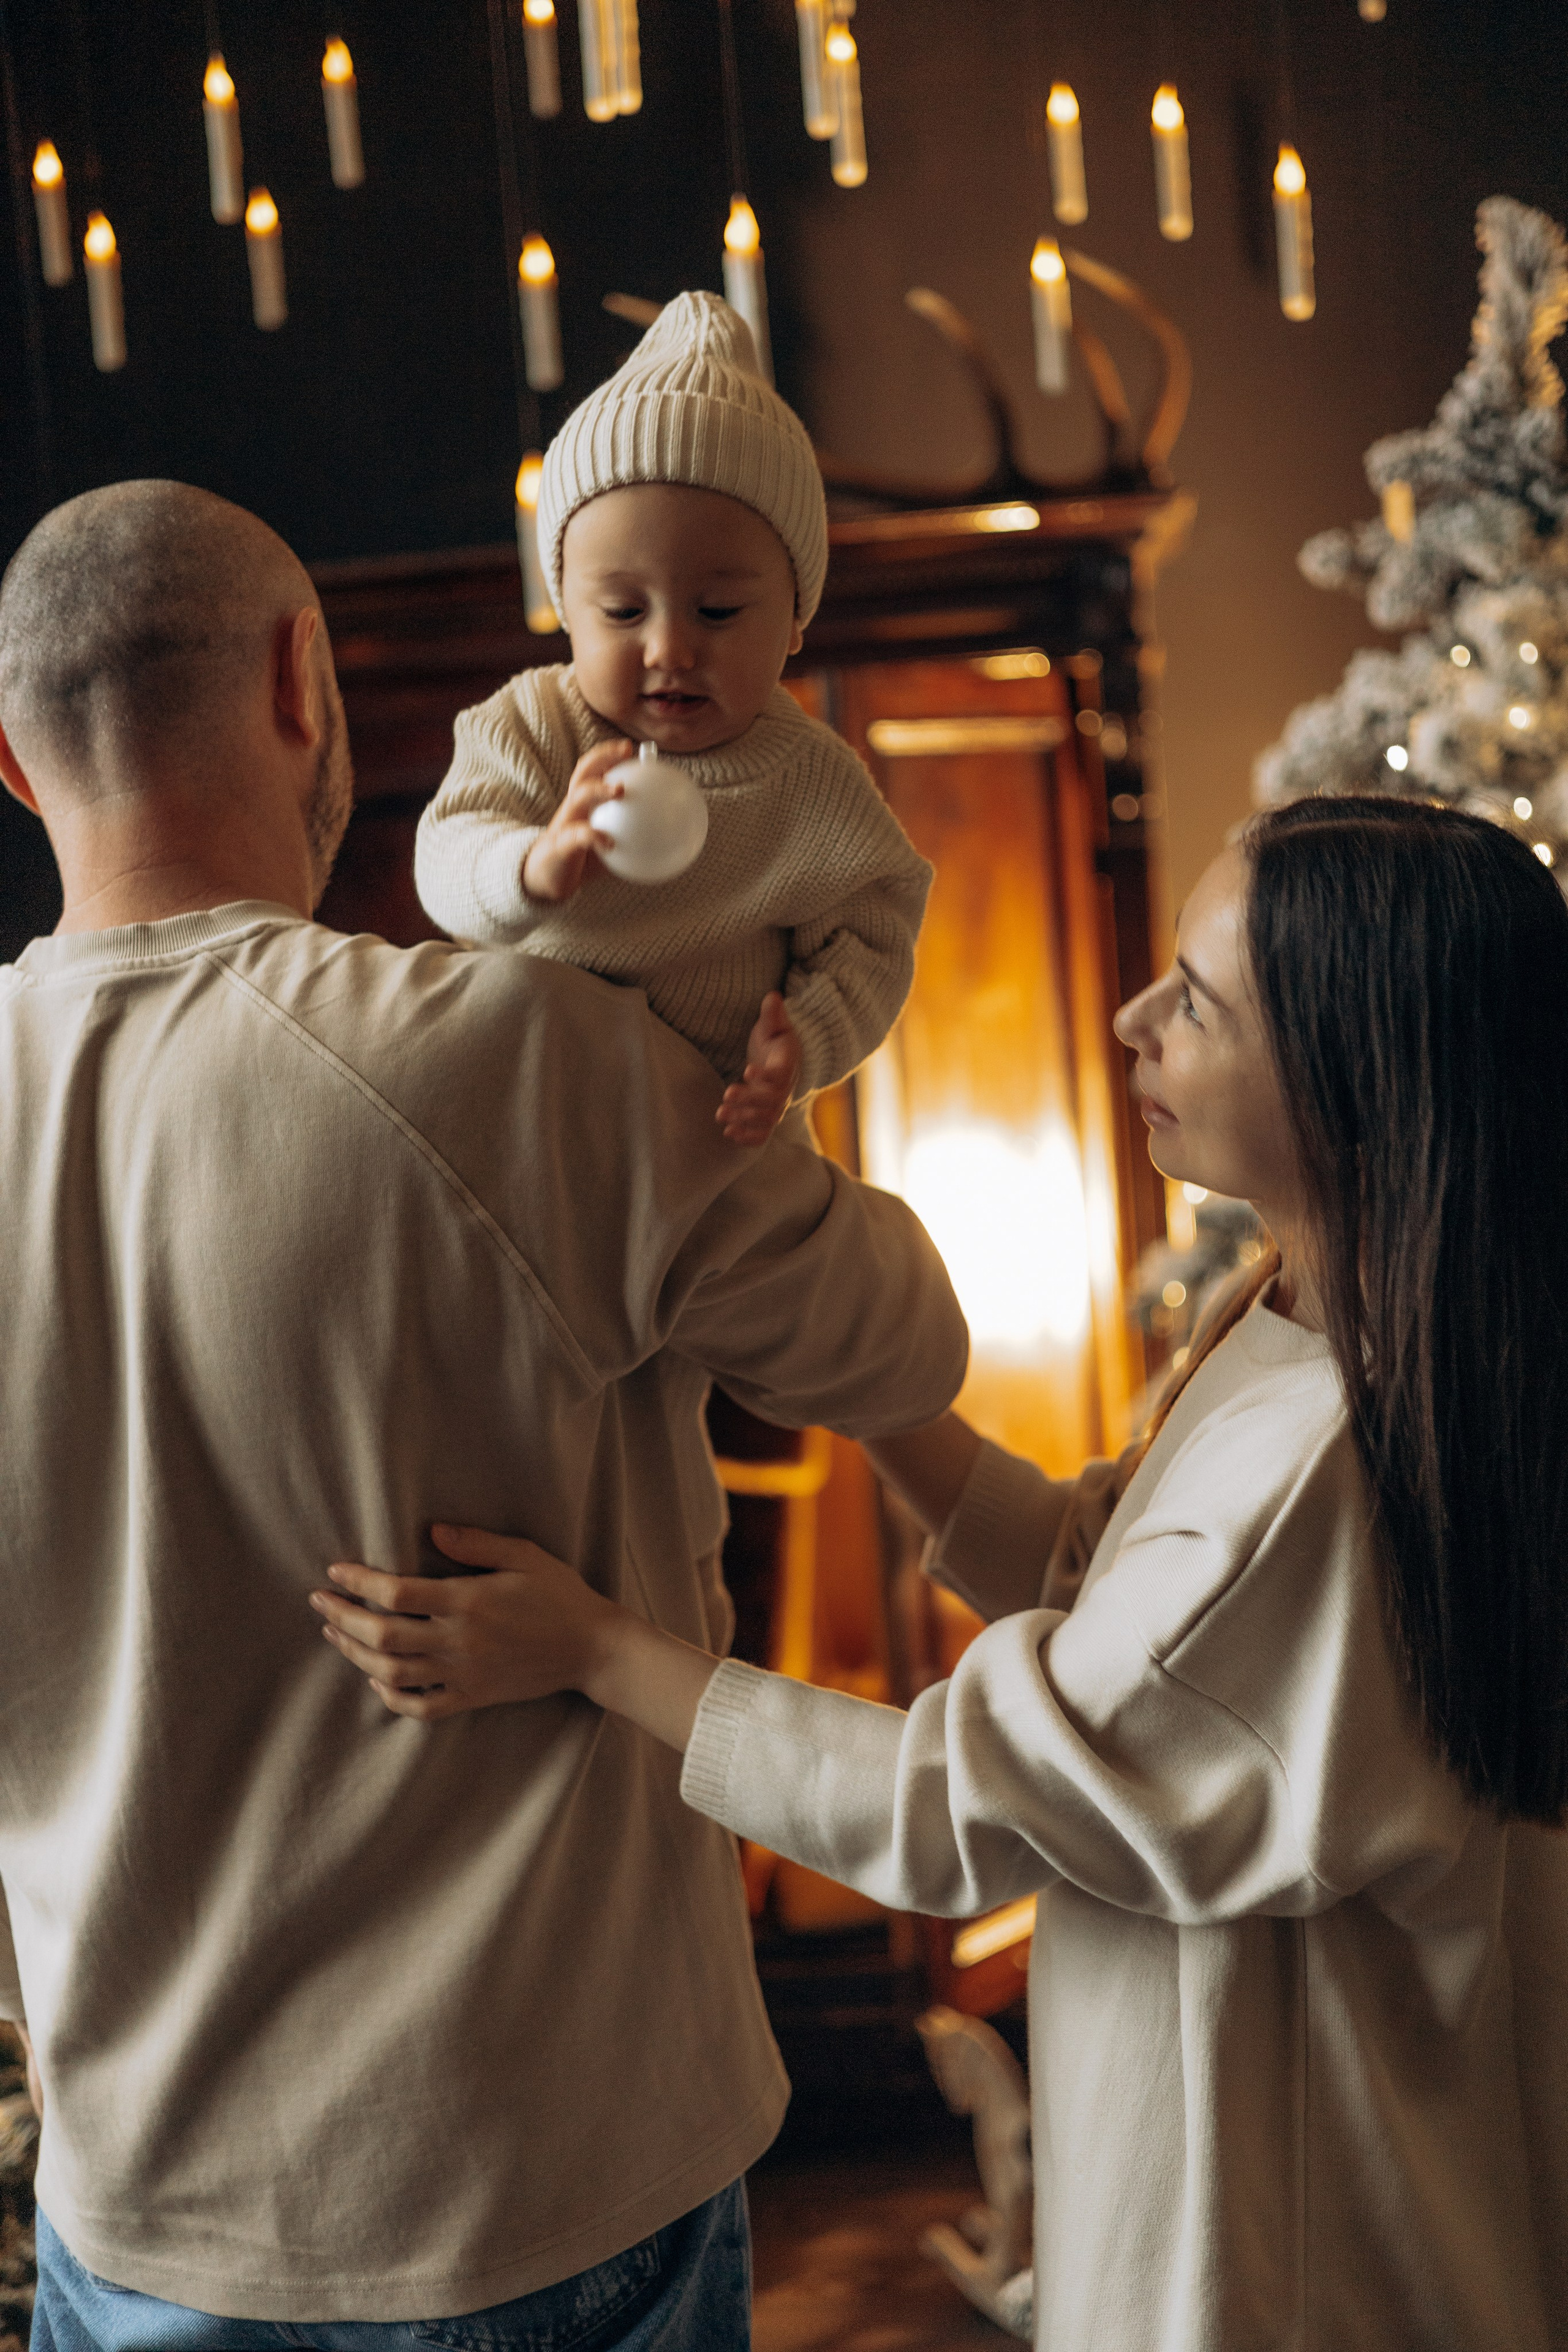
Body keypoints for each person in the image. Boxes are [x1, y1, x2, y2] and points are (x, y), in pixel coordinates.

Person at [318, 796, 1568, 2351]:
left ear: (1356, 1079)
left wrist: (592, 1649)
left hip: (1275, 2269)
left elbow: (953, 1803)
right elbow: (1114, 1600)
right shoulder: (1328, 1328)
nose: (1131, 1019)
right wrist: (858, 1382)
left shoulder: (1323, 1470)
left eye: (1196, 1004)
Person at [0, 478, 968, 2350]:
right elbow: (901, 1343)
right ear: (304, 682)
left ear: (17, 767)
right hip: (540, 2188)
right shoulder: (515, 1057)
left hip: (130, 2214)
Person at [413, 290, 933, 1148]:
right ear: (567, 611)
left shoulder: (812, 782)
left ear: (795, 620)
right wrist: (530, 866)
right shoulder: (533, 725)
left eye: (718, 611)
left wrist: (801, 1046)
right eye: (622, 612)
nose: (669, 649)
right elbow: (445, 856)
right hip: (534, 1117)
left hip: (711, 1134)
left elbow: (871, 942)